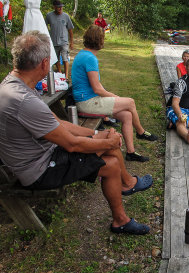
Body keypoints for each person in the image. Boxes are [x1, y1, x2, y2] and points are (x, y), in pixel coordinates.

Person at [0, 31, 153, 235]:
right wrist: (107, 142)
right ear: (45, 64)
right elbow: (72, 144)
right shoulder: (25, 101)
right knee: (112, 161)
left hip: (36, 159)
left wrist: (97, 136)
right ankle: (122, 213)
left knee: (110, 154)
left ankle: (125, 195)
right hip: (39, 170)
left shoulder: (14, 86)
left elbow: (60, 124)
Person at [71, 25, 157, 162]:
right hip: (87, 103)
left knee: (127, 115)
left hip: (89, 100)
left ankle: (131, 152)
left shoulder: (84, 54)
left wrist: (114, 98)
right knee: (130, 102)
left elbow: (97, 87)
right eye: (103, 38)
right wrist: (116, 98)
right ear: (99, 40)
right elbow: (97, 89)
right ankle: (141, 132)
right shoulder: (89, 58)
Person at [45, 0, 73, 80]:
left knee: (65, 58)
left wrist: (71, 42)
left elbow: (70, 30)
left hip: (64, 41)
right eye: (58, 7)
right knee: (56, 58)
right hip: (54, 41)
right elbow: (45, 26)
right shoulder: (49, 16)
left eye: (61, 7)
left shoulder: (66, 16)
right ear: (54, 7)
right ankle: (60, 72)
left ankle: (66, 75)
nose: (60, 8)